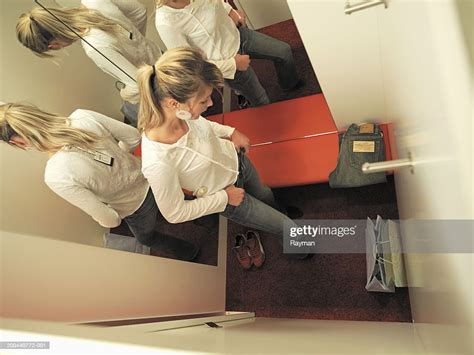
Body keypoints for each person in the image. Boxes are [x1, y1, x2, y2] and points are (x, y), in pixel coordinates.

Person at [136, 47, 304, 258]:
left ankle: (279, 216)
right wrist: (224, 198)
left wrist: (231, 132)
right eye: (203, 101)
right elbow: (174, 213)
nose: (211, 104)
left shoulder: (181, 114)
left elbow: (203, 125)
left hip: (238, 162)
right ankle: (301, 252)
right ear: (174, 104)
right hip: (227, 195)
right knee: (286, 227)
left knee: (266, 194)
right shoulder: (157, 162)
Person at [0, 102, 199, 261]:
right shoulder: (82, 116)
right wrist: (120, 159)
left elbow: (110, 219)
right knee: (182, 202)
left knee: (145, 237)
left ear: (18, 142)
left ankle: (189, 252)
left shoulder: (56, 175)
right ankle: (207, 217)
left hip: (134, 207)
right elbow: (133, 137)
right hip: (151, 175)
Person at [16, 0, 162, 125]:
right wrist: (136, 43)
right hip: (162, 55)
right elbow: (140, 12)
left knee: (130, 109)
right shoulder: (92, 1)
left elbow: (137, 85)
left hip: (160, 81)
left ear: (53, 46)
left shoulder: (95, 47)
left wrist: (125, 93)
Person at [154, 0, 303, 108]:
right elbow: (190, 64)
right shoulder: (166, 22)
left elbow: (214, 2)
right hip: (227, 61)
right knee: (261, 100)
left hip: (239, 35)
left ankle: (289, 85)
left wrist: (231, 11)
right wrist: (233, 64)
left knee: (283, 52)